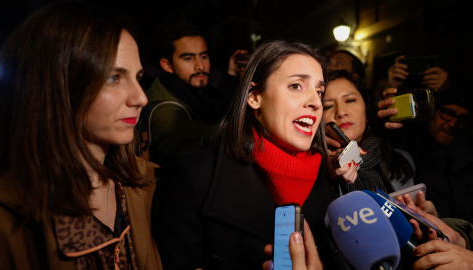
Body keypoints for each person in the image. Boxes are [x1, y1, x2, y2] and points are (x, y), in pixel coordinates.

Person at [153, 40, 350, 269]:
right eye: (296, 86)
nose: (316, 102)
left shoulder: (331, 189)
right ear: (255, 97)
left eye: (319, 91)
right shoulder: (195, 176)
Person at [0, 3, 162, 269]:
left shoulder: (140, 187)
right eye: (114, 78)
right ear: (56, 84)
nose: (141, 97)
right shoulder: (5, 220)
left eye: (138, 77)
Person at [141, 22, 247, 167]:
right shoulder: (163, 111)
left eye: (203, 56)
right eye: (188, 58)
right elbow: (217, 137)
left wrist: (231, 77)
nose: (200, 66)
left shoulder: (196, 92)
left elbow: (218, 106)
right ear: (167, 65)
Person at [323, 70, 414, 193]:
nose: (341, 112)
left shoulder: (401, 161)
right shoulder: (317, 169)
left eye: (350, 100)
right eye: (327, 106)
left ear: (366, 108)